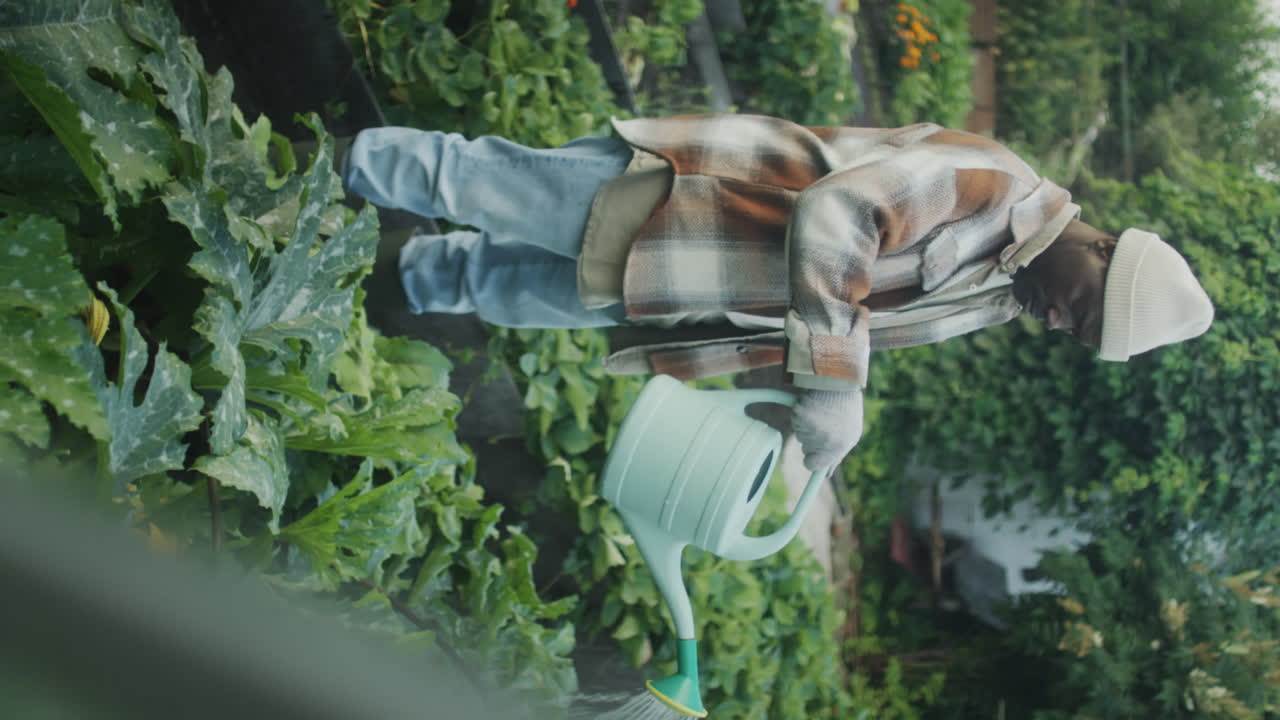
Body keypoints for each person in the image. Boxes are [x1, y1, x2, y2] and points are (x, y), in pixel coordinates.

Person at [341, 114, 1214, 472]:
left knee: (498, 287)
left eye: (1076, 333)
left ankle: (377, 278)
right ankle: (315, 168)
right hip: (684, 202)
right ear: (1102, 248)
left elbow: (850, 320)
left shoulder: (998, 290)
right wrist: (838, 383)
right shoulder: (994, 187)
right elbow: (845, 213)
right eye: (1083, 308)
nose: (1061, 321)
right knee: (472, 181)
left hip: (692, 283)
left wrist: (800, 404)